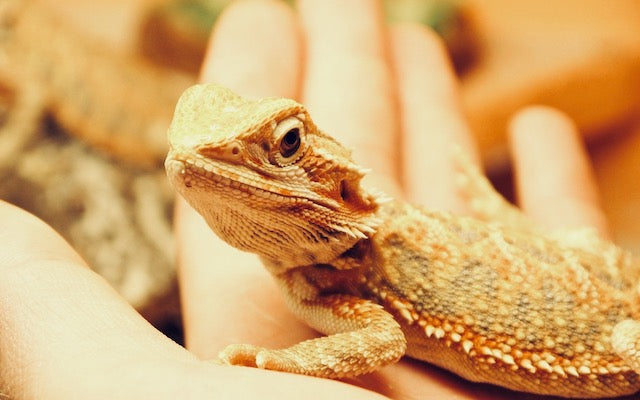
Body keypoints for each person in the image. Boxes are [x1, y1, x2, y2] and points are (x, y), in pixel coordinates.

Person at [0, 1, 609, 399]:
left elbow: (382, 342)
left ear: (336, 186)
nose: (194, 161)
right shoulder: (318, 272)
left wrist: (285, 364)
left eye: (285, 145)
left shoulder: (358, 270)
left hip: (615, 341)